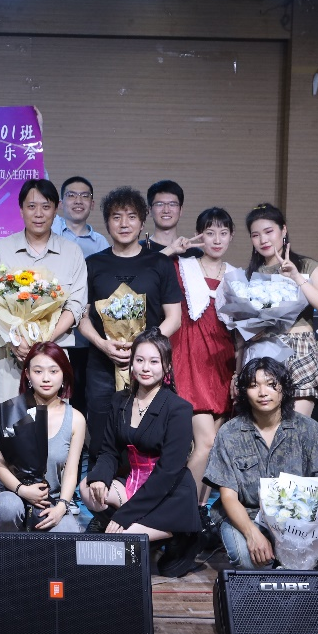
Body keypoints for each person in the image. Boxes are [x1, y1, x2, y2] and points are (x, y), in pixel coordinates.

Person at [204, 357, 318, 570]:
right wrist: (252, 534)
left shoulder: (307, 428)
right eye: (254, 386)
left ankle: (295, 566)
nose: (263, 392)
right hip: (248, 516)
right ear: (244, 392)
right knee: (246, 560)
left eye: (271, 384)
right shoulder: (230, 433)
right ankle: (279, 565)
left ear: (284, 388)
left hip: (295, 518)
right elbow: (228, 497)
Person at [82, 330, 202, 576]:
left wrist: (125, 515)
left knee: (121, 545)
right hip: (133, 483)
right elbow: (108, 451)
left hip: (169, 492)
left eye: (154, 361)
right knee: (87, 487)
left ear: (167, 367)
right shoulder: (120, 401)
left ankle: (178, 535)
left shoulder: (179, 409)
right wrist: (100, 478)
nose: (146, 368)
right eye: (140, 360)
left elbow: (167, 473)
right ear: (132, 363)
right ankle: (136, 527)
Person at [77, 187, 180, 460]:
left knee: (149, 435)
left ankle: (143, 484)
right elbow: (81, 317)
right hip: (102, 365)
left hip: (148, 365)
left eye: (132, 217)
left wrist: (142, 348)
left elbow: (174, 318)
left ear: (142, 222)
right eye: (116, 217)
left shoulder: (160, 263)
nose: (124, 224)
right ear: (107, 222)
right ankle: (102, 484)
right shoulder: (92, 264)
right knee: (101, 436)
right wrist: (102, 344)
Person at [0, 179, 88, 410]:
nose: (39, 213)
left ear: (56, 209)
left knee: (53, 425)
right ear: (21, 209)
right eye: (31, 206)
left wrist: (43, 341)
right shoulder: (3, 248)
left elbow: (75, 305)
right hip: (11, 356)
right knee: (10, 425)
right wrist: (16, 342)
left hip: (54, 356)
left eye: (46, 206)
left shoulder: (72, 252)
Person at [168, 207, 237, 526]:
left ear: (232, 236)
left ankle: (198, 511)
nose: (217, 239)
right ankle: (183, 512)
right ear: (199, 235)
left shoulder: (237, 275)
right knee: (205, 442)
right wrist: (172, 249)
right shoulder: (181, 266)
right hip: (189, 358)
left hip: (222, 361)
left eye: (223, 233)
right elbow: (146, 268)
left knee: (215, 445)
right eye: (210, 232)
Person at [243, 203, 318, 417]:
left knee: (295, 428)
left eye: (269, 231)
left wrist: (296, 277)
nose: (263, 240)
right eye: (255, 235)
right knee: (265, 429)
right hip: (262, 352)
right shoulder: (249, 275)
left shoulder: (305, 265)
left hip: (299, 348)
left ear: (283, 230)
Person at [0, 342, 86, 534]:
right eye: (38, 371)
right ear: (27, 374)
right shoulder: (13, 410)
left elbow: (71, 472)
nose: (46, 378)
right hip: (11, 493)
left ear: (64, 374)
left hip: (49, 499)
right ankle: (2, 552)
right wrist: (22, 490)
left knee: (68, 530)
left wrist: (62, 506)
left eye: (53, 371)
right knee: (8, 507)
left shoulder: (76, 419)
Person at [51, 175, 109, 425]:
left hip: (87, 336)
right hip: (54, 333)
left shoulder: (101, 242)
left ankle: (80, 444)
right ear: (61, 203)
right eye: (71, 195)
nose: (78, 201)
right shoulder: (49, 234)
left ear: (92, 204)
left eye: (84, 196)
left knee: (83, 397)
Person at [143, 180, 201, 258]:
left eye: (172, 204)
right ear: (150, 210)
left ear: (181, 210)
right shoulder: (139, 249)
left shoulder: (195, 253)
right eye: (159, 204)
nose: (166, 210)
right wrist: (171, 249)